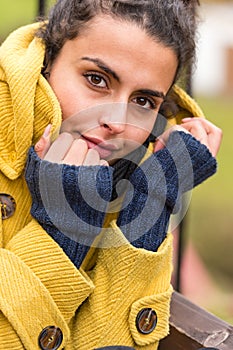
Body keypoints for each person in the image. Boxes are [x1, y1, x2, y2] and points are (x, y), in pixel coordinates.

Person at [0, 0, 222, 349]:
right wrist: (63, 231)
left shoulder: (131, 173)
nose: (117, 122)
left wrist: (152, 200)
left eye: (143, 102)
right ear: (47, 62)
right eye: (96, 79)